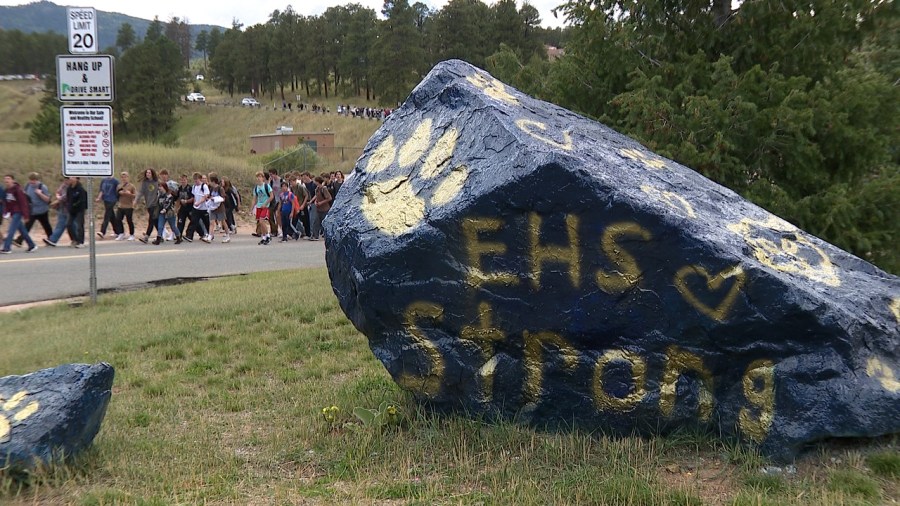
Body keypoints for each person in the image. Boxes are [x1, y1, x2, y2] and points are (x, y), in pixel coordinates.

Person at [1, 174, 37, 254]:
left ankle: (7, 248)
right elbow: (7, 203)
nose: (7, 180)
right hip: (12, 213)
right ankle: (32, 245)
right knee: (23, 231)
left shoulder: (18, 190)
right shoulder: (7, 190)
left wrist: (26, 215)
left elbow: (23, 203)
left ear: (13, 180)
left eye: (8, 179)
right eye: (5, 179)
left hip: (18, 212)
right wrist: (5, 212)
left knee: (11, 230)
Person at [13, 172, 51, 247]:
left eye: (34, 180)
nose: (32, 182)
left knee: (46, 225)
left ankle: (52, 238)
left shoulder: (42, 187)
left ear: (38, 180)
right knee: (27, 226)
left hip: (42, 211)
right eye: (31, 180)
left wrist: (40, 194)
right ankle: (19, 240)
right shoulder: (28, 186)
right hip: (32, 211)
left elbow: (48, 200)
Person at [43, 177, 74, 247]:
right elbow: (58, 192)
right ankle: (53, 240)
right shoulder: (63, 186)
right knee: (60, 225)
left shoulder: (72, 187)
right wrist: (58, 197)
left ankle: (76, 239)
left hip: (69, 209)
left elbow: (66, 196)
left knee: (72, 226)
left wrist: (58, 200)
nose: (66, 181)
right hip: (62, 209)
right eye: (65, 179)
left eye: (67, 180)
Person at [185, 172, 211, 242]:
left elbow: (205, 196)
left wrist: (199, 203)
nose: (195, 182)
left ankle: (210, 235)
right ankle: (189, 236)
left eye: (196, 180)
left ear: (200, 179)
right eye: (194, 180)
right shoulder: (194, 187)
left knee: (207, 222)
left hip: (204, 208)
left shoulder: (204, 186)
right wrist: (194, 205)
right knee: (193, 221)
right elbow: (194, 196)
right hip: (196, 208)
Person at [136, 168, 159, 243]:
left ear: (152, 174)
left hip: (155, 205)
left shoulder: (156, 182)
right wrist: (136, 200)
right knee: (155, 222)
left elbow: (162, 190)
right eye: (147, 173)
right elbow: (140, 192)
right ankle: (160, 235)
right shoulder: (145, 183)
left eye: (149, 173)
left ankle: (146, 237)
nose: (147, 174)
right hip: (148, 204)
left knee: (151, 221)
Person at [94, 173, 119, 239]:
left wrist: (118, 199)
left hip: (112, 199)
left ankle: (102, 231)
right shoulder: (104, 180)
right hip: (106, 199)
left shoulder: (115, 181)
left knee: (107, 215)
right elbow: (102, 190)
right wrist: (99, 198)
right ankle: (118, 231)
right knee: (111, 216)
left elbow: (118, 191)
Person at [207, 174, 230, 243]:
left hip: (220, 208)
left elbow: (223, 198)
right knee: (211, 222)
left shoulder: (220, 188)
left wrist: (215, 199)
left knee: (223, 221)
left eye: (210, 181)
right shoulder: (211, 189)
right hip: (213, 208)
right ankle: (210, 236)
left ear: (213, 181)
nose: (209, 182)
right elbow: (210, 196)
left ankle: (227, 235)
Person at [65, 176, 88, 248]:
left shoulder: (80, 189)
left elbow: (83, 200)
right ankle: (74, 239)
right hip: (71, 210)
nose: (70, 179)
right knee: (68, 224)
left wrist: (75, 205)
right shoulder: (69, 188)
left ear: (76, 179)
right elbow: (68, 199)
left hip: (80, 209)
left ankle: (81, 242)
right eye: (70, 177)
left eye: (73, 177)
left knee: (79, 225)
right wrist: (69, 206)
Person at [308, 176, 332, 241]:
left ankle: (328, 235)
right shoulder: (317, 189)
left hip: (325, 209)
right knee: (316, 222)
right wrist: (314, 202)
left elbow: (329, 198)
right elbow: (316, 196)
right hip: (318, 209)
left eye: (315, 181)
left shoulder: (324, 189)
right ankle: (315, 236)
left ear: (318, 182)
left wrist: (321, 203)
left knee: (325, 223)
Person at [252, 171, 273, 245]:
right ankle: (264, 237)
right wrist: (252, 208)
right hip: (259, 206)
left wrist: (265, 203)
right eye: (257, 177)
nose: (258, 178)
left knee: (262, 221)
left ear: (263, 178)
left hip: (265, 206)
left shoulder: (266, 186)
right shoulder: (256, 188)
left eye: (260, 177)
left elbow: (271, 196)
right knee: (260, 223)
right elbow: (254, 199)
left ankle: (267, 236)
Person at [115, 171, 136, 240]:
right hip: (121, 205)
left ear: (128, 177)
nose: (124, 178)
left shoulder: (131, 186)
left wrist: (129, 194)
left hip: (129, 206)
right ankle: (121, 233)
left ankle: (132, 234)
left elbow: (135, 195)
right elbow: (116, 195)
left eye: (125, 177)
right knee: (118, 219)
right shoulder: (119, 186)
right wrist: (119, 193)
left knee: (129, 220)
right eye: (122, 177)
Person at [176, 174, 194, 239]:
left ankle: (202, 233)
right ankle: (179, 235)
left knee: (193, 221)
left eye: (184, 180)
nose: (183, 181)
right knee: (180, 221)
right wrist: (177, 207)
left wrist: (186, 201)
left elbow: (193, 198)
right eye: (182, 180)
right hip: (182, 208)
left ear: (187, 180)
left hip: (189, 208)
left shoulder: (190, 188)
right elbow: (177, 198)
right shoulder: (179, 189)